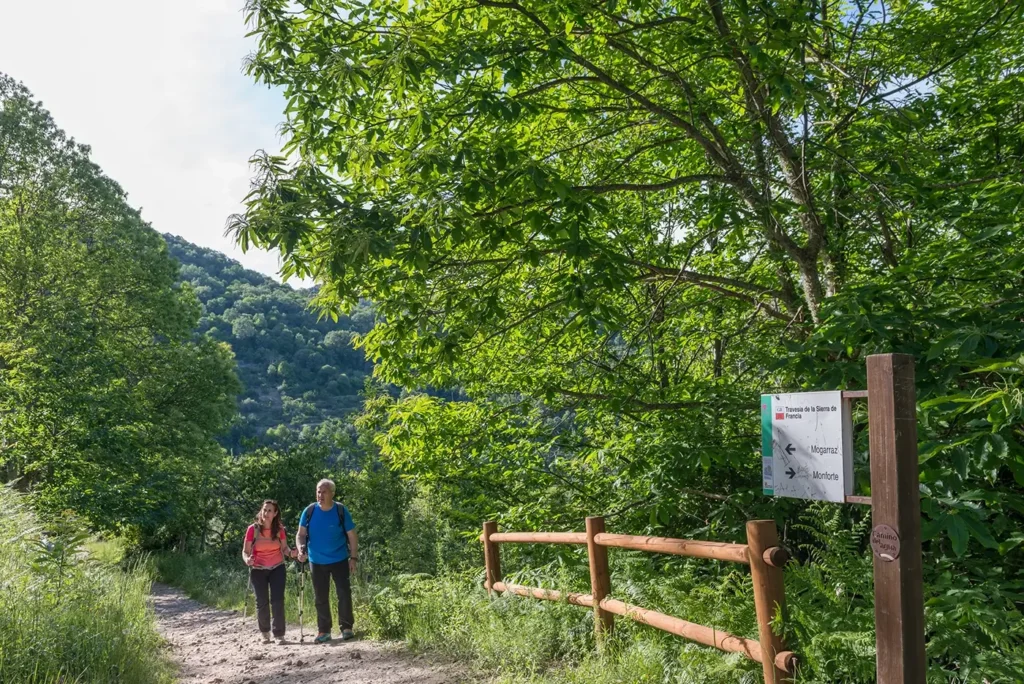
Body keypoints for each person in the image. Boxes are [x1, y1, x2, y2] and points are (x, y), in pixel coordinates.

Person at [296, 478, 358, 643]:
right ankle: (324, 630)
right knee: (320, 596)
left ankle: (347, 628)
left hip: (339, 558)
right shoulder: (309, 511)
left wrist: (353, 557)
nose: (320, 495)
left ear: (332, 493)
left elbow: (352, 536)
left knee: (344, 593)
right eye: (318, 491)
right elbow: (301, 534)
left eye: (324, 492)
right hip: (316, 560)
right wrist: (301, 548)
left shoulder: (340, 510)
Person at [242, 499, 296, 645]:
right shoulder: (252, 529)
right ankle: (265, 633)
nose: (266, 513)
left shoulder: (279, 529)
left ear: (275, 513)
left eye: (269, 510)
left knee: (277, 601)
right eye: (264, 510)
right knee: (262, 602)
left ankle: (279, 635)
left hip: (277, 567)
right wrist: (248, 560)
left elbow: (285, 549)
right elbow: (245, 551)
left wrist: (292, 554)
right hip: (258, 569)